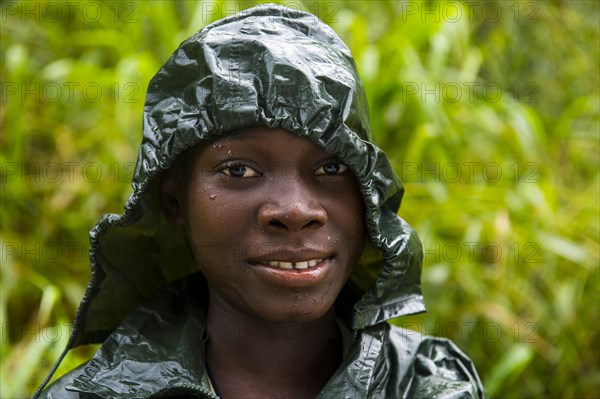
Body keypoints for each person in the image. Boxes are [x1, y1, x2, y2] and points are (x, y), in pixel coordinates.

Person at [35, 4, 486, 398]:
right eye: (239, 170)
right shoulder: (99, 395)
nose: (295, 210)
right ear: (174, 201)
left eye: (332, 169)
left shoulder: (428, 385)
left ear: (369, 194)